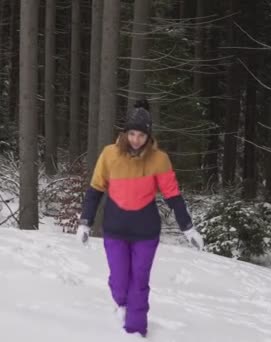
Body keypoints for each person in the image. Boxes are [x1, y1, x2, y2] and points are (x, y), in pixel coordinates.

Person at [76, 100, 204, 337]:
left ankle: (135, 331)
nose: (136, 139)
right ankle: (121, 306)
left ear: (148, 136)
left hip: (146, 232)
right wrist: (85, 221)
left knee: (139, 283)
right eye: (132, 133)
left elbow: (173, 195)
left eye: (141, 135)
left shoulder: (159, 159)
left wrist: (188, 228)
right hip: (114, 230)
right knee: (119, 281)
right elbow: (95, 190)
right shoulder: (109, 155)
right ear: (125, 133)